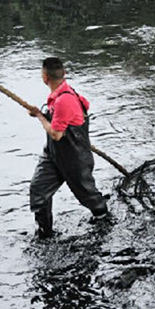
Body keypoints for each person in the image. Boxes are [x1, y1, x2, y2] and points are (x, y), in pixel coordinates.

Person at [27, 57, 108, 238]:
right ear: (64, 74)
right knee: (38, 191)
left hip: (75, 157)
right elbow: (84, 107)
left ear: (44, 77)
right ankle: (45, 233)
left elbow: (56, 134)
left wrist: (40, 116)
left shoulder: (65, 100)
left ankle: (104, 219)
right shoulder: (58, 96)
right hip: (53, 155)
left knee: (87, 195)